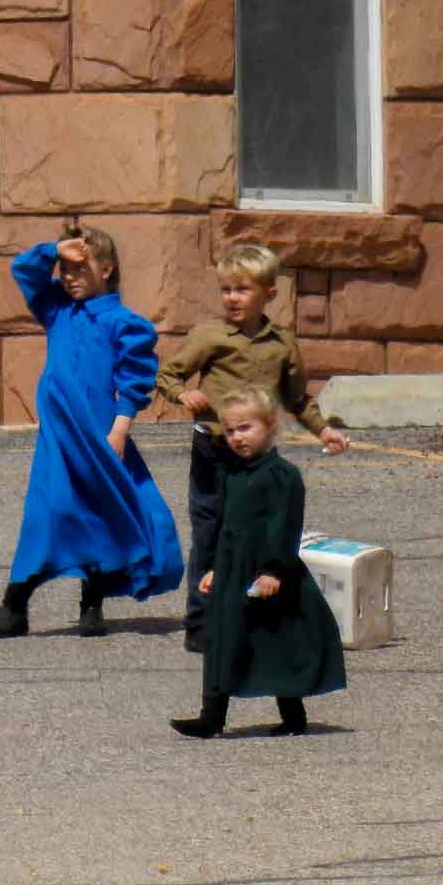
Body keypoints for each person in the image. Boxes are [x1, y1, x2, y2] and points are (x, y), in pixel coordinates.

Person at [0, 223, 184, 639]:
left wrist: (121, 428)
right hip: (58, 439)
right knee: (48, 510)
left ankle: (93, 601)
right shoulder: (56, 310)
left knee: (101, 511)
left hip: (99, 437)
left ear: (106, 269)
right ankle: (15, 603)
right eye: (64, 269)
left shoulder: (124, 323)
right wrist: (54, 249)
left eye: (79, 268)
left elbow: (135, 378)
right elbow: (24, 270)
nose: (68, 277)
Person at [155, 244, 348, 654]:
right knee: (209, 534)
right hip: (213, 448)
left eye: (242, 289)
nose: (232, 298)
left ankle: (248, 610)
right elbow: (168, 375)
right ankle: (201, 620)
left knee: (255, 533)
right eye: (226, 290)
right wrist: (183, 394)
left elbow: (298, 399)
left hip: (257, 459)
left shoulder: (282, 344)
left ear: (269, 294)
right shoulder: (209, 335)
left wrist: (323, 430)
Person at [170, 388, 346, 738]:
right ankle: (212, 717)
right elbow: (227, 528)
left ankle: (293, 715)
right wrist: (216, 569)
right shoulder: (232, 474)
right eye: (231, 431)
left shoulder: (282, 476)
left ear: (270, 425)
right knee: (221, 640)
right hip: (233, 571)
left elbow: (284, 527)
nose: (237, 438)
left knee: (276, 639)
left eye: (245, 428)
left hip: (267, 572)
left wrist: (273, 570)